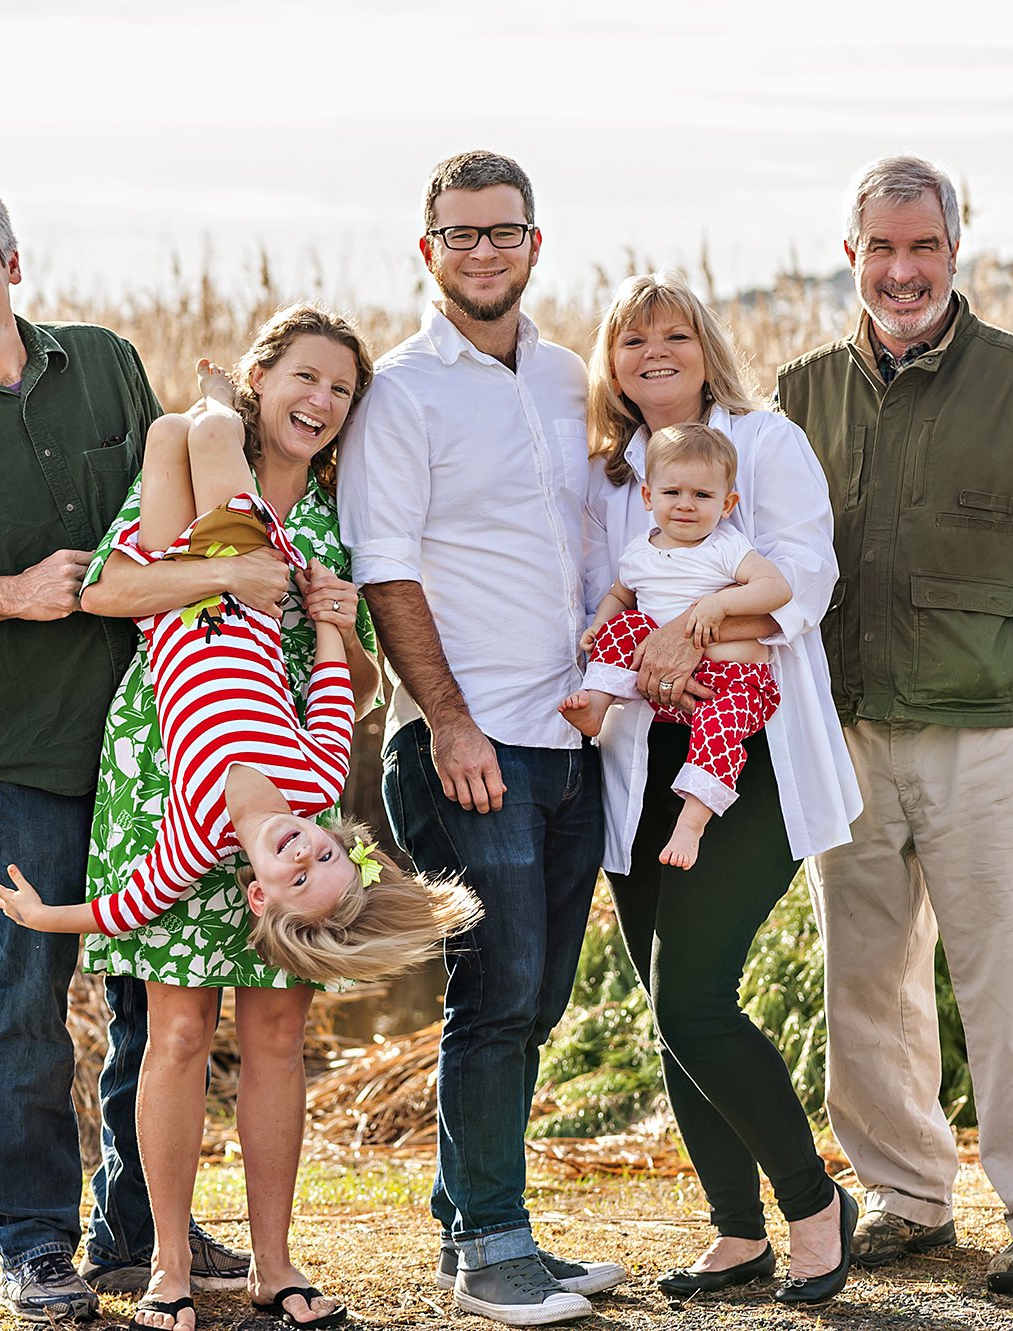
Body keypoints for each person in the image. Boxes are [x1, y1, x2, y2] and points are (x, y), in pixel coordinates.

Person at [0, 172, 279, 1323]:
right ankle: (33, 1241)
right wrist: (1, 595)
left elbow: (162, 509)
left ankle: (134, 1227)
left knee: (151, 998)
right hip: (12, 755)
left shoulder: (107, 365)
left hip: (151, 736)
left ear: (11, 264)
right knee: (26, 992)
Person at [0, 323, 481, 1330]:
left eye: (342, 388)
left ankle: (272, 1260)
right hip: (166, 767)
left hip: (271, 786)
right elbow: (108, 589)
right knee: (175, 1027)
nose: (322, 399)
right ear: (266, 381)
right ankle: (165, 1259)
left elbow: (348, 685)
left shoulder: (342, 517)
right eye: (303, 376)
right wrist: (234, 578)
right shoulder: (244, 504)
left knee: (277, 1034)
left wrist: (334, 609)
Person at [778, 154, 1013, 1294]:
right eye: (879, 247)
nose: (900, 268)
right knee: (864, 977)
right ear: (850, 258)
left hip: (986, 737)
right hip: (845, 735)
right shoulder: (797, 396)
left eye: (921, 246)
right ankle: (906, 1196)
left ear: (953, 252)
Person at [338, 150, 626, 1326]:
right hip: (466, 743)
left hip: (571, 740)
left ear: (533, 243)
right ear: (427, 251)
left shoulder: (571, 380)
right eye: (458, 235)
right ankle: (490, 1245)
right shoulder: (400, 393)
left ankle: (481, 1229)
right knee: (495, 985)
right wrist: (448, 721)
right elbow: (384, 569)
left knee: (540, 989)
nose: (481, 252)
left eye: (501, 232)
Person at [578, 271, 863, 1305]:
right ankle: (734, 1230)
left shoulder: (763, 442)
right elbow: (597, 596)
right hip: (640, 762)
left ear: (704, 346)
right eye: (631, 339)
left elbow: (805, 581)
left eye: (674, 334)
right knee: (668, 1000)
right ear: (610, 361)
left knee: (695, 993)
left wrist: (683, 634)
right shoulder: (606, 472)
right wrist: (633, 653)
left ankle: (811, 1202)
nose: (653, 351)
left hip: (749, 753)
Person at [559, 422, 791, 869]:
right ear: (649, 498)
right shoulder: (638, 553)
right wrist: (599, 627)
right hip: (655, 687)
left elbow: (776, 587)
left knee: (719, 736)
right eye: (672, 493)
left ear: (727, 505)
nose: (686, 505)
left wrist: (718, 604)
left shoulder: (726, 548)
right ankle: (597, 704)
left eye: (702, 496)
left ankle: (692, 822)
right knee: (627, 625)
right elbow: (618, 596)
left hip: (729, 686)